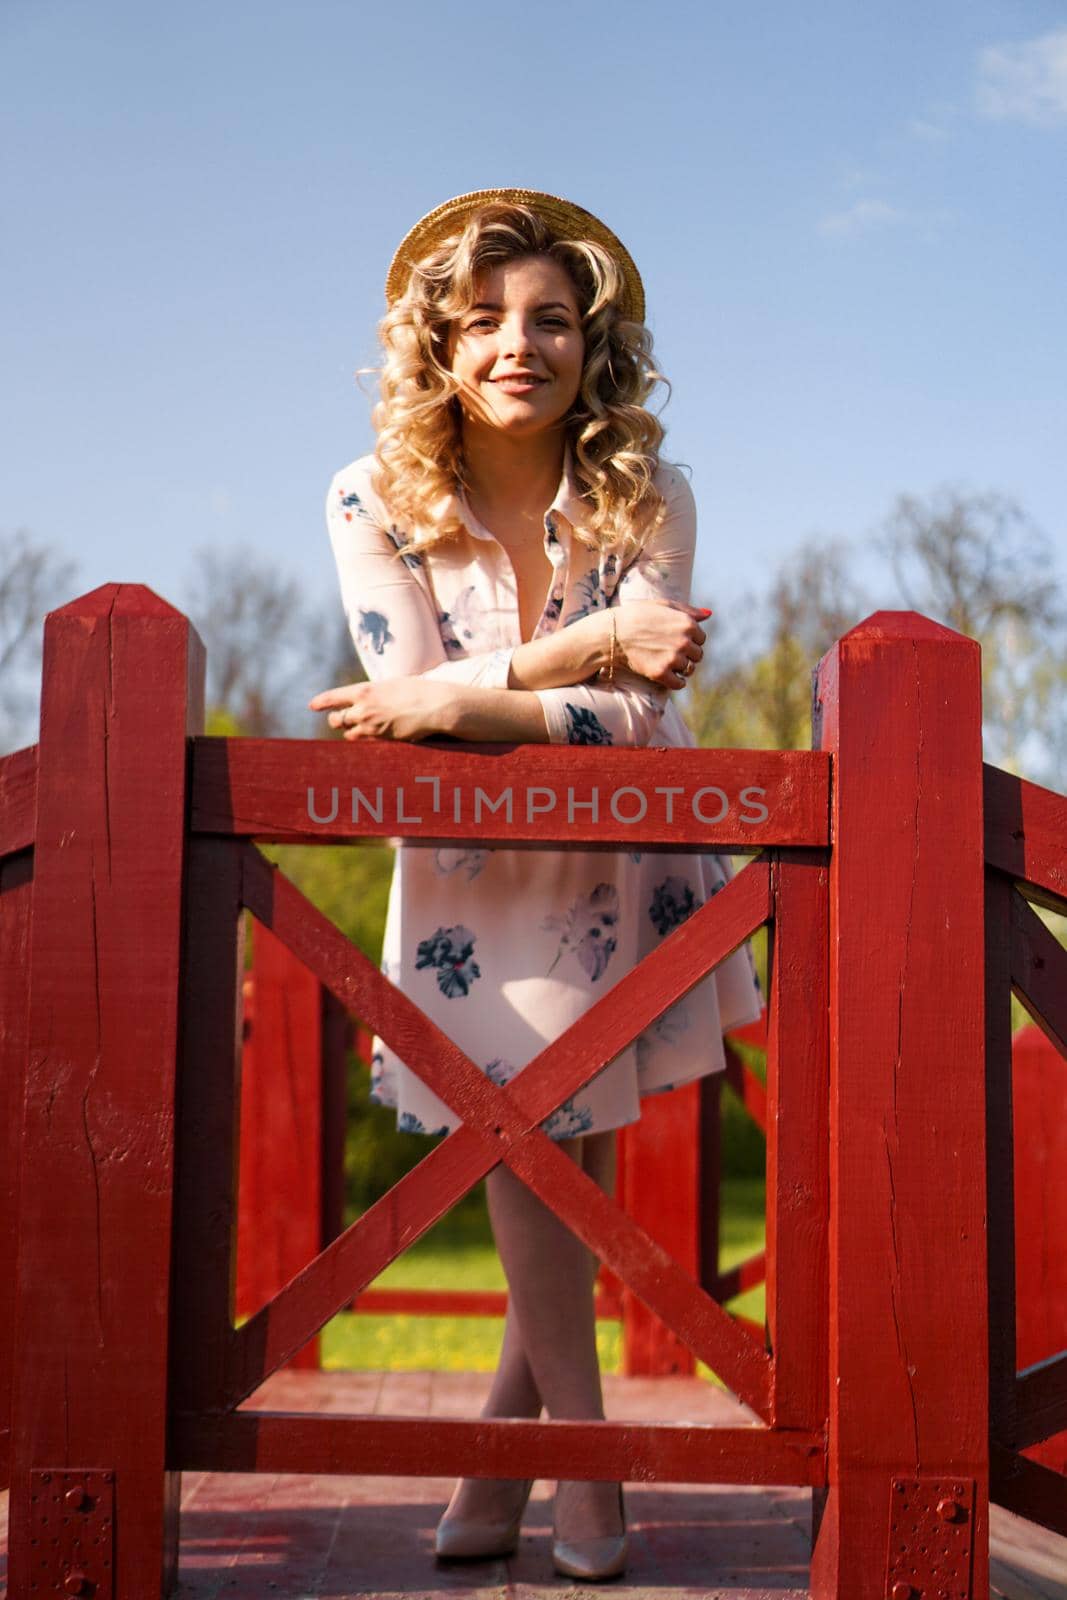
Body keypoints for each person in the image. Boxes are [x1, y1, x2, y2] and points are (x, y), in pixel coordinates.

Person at [309, 188, 762, 1581]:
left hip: (624, 854)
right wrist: (587, 648)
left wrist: (485, 694)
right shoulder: (367, 496)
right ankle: (582, 1459)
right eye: (487, 318)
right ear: (437, 343)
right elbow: (401, 707)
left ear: (593, 343)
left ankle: (506, 1472)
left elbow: (632, 725)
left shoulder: (654, 492)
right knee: (529, 1143)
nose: (521, 344)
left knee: (558, 1152)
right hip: (468, 881)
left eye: (552, 319)